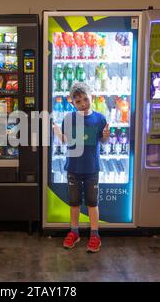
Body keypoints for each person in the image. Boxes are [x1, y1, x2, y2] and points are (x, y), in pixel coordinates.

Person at [53, 82, 110, 253]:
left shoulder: (100, 118)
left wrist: (106, 137)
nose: (83, 104)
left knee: (93, 203)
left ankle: (95, 235)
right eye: (78, 102)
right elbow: (65, 140)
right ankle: (74, 232)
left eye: (86, 99)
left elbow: (104, 141)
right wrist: (56, 132)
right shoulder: (68, 118)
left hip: (92, 168)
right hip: (73, 168)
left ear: (91, 96)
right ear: (72, 103)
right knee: (74, 203)